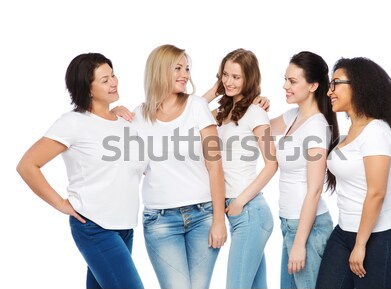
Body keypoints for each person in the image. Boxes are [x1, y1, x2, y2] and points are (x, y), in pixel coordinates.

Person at [16, 53, 147, 288]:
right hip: (95, 226)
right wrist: (61, 204)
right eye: (104, 80)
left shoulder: (125, 121)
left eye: (113, 75)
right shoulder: (73, 123)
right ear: (87, 88)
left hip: (125, 226)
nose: (114, 82)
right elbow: (27, 165)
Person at [131, 44, 227, 289]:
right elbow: (132, 167)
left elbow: (214, 166)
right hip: (160, 220)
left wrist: (218, 220)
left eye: (187, 68)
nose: (185, 74)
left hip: (202, 215)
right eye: (178, 68)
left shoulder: (197, 107)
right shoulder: (139, 117)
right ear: (159, 70)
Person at [316, 57, 391, 289]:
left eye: (336, 83)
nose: (330, 91)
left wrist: (360, 244)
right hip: (344, 231)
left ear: (359, 85)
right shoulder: (351, 132)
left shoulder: (376, 131)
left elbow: (376, 192)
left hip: (379, 237)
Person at [261, 51, 338, 289]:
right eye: (285, 79)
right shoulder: (294, 116)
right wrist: (257, 106)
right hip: (290, 224)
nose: (285, 86)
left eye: (293, 81)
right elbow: (259, 128)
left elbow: (314, 190)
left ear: (314, 85)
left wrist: (299, 243)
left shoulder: (316, 127)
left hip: (308, 229)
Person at [204, 48, 277, 289]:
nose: (228, 81)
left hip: (249, 211)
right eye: (225, 75)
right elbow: (188, 118)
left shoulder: (255, 112)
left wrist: (239, 202)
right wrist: (215, 90)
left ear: (249, 79)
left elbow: (271, 164)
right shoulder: (220, 113)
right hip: (237, 213)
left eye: (236, 77)